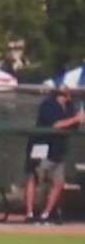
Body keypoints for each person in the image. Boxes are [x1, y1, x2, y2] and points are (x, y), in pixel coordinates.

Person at [23, 85, 83, 225]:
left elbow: (73, 124)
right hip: (41, 146)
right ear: (60, 94)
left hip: (58, 150)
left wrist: (79, 119)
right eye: (66, 93)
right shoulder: (48, 104)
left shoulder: (70, 107)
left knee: (58, 183)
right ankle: (30, 214)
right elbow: (55, 125)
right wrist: (75, 119)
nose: (69, 96)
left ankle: (46, 214)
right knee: (34, 178)